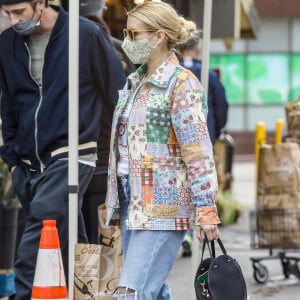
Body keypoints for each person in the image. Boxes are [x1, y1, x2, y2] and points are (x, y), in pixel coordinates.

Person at [0, 1, 125, 299]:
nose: (14, 20)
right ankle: (87, 294)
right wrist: (14, 162)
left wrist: (110, 155)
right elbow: (8, 103)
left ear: (41, 3)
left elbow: (117, 96)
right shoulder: (7, 44)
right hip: (29, 163)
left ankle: (22, 294)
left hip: (75, 152)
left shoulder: (85, 35)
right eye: (8, 14)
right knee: (69, 241)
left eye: (20, 12)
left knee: (42, 226)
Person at [105, 1, 220, 299]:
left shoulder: (181, 84)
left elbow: (197, 150)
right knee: (152, 292)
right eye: (125, 32)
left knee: (131, 293)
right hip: (133, 200)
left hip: (164, 205)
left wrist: (206, 208)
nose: (127, 40)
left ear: (158, 37)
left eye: (134, 33)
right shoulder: (135, 81)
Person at [176, 29, 229, 257]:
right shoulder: (207, 75)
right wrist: (215, 131)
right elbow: (222, 105)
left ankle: (184, 232)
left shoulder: (174, 75)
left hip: (175, 144)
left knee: (180, 185)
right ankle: (191, 228)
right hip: (202, 138)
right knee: (200, 184)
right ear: (198, 50)